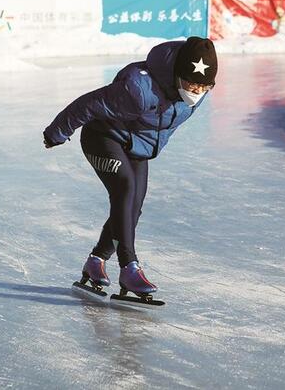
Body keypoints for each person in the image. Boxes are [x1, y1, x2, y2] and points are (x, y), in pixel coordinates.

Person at [43, 36, 218, 295]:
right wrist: (56, 133)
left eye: (204, 87)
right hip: (102, 138)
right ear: (177, 74)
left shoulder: (196, 92)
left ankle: (96, 261)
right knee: (124, 188)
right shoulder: (139, 89)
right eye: (192, 85)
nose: (197, 93)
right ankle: (129, 268)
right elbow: (88, 104)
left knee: (133, 208)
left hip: (137, 147)